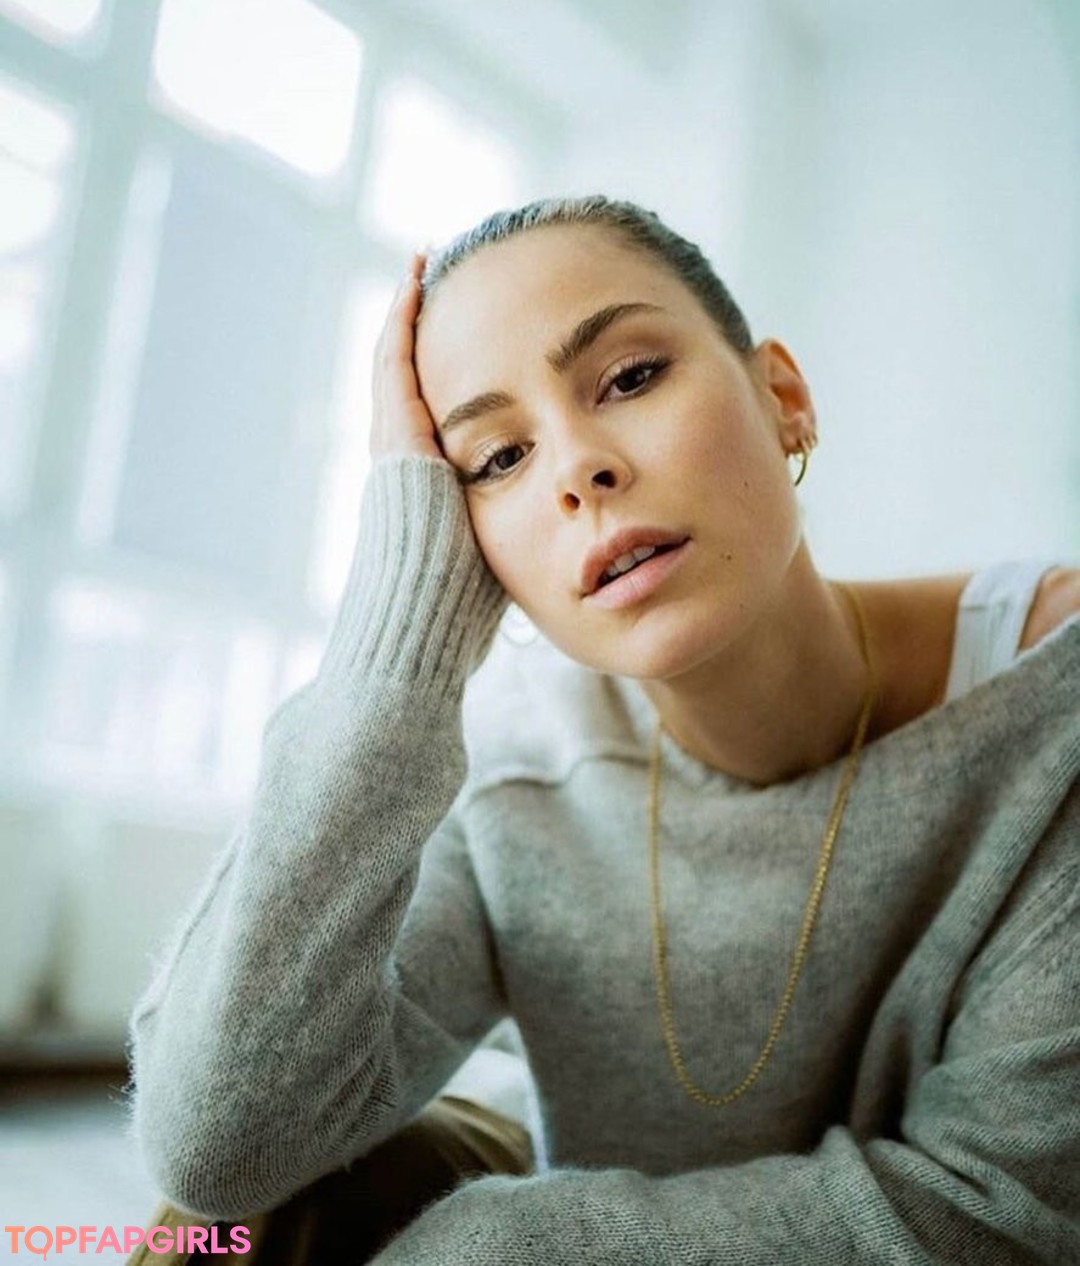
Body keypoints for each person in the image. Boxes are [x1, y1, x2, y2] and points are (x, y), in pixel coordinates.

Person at [126, 195, 1080, 1264]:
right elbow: (217, 1151)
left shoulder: (1055, 713)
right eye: (497, 460)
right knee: (219, 1236)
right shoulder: (515, 765)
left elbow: (1006, 1219)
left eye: (630, 378)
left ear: (783, 400)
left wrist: (491, 1251)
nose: (579, 468)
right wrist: (391, 651)